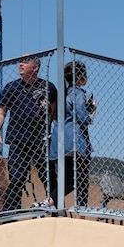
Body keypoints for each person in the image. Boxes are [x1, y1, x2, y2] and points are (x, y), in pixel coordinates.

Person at [0, 55, 57, 211]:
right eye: (19, 62)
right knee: (16, 179)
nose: (20, 64)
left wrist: (48, 108)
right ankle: (10, 215)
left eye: (25, 62)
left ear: (35, 67)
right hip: (18, 141)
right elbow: (1, 112)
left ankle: (56, 212)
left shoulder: (48, 87)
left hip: (41, 141)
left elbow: (56, 114)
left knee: (49, 178)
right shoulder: (11, 87)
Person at [34, 61, 96, 208]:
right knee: (81, 180)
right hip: (76, 142)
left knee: (68, 180)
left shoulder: (62, 94)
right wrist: (92, 112)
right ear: (81, 77)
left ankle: (48, 202)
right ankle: (81, 213)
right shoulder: (78, 93)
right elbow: (83, 118)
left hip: (60, 143)